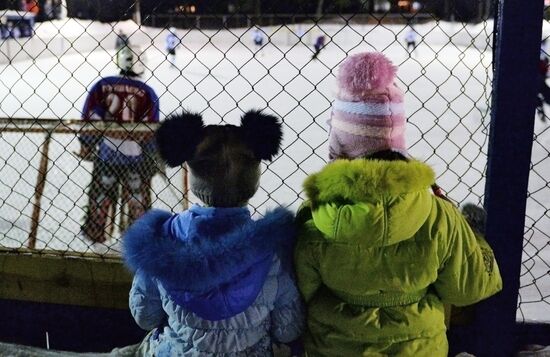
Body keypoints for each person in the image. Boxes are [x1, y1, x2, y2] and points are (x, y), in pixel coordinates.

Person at [294, 52, 502, 356]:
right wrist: (475, 239)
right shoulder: (440, 216)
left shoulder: (314, 219)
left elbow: (303, 291)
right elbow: (469, 288)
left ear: (338, 146)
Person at [122, 110, 304, 356]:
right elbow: (288, 328)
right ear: (252, 181)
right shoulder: (271, 250)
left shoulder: (162, 240)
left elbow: (144, 315)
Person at [77, 45, 159, 244]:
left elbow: (92, 118)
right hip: (135, 155)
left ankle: (96, 234)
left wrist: (87, 144)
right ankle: (138, 239)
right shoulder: (147, 92)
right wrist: (151, 156)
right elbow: (150, 129)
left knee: (101, 195)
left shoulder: (103, 85)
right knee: (137, 199)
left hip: (107, 152)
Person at [537, 39, 550, 122]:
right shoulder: (542, 59)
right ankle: (540, 107)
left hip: (539, 80)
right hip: (539, 80)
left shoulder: (543, 60)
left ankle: (540, 107)